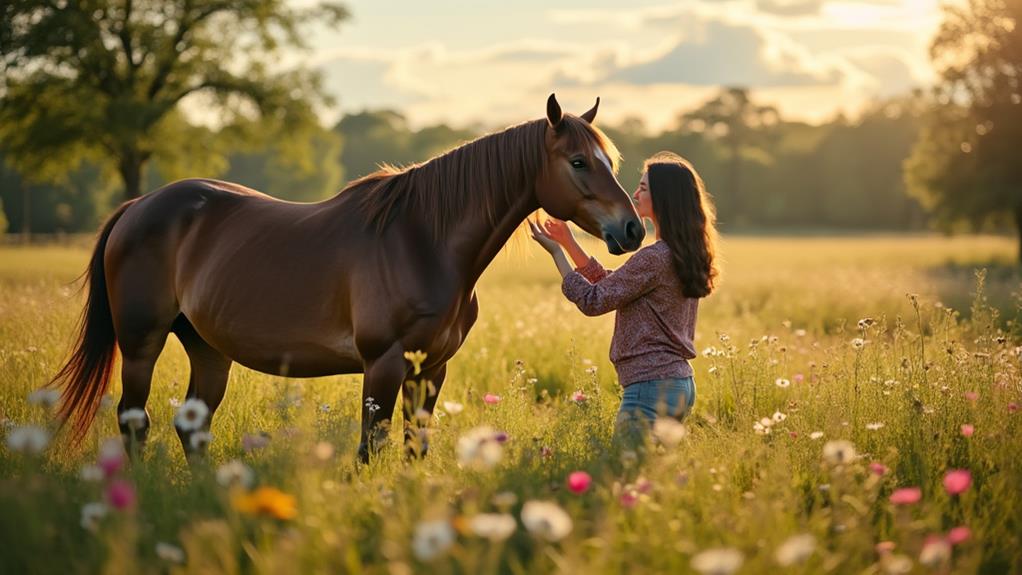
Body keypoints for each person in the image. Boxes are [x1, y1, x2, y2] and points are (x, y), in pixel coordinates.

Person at [528, 151, 719, 444]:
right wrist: (568, 243)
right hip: (679, 384)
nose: (634, 194)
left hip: (650, 388)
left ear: (663, 198)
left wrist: (556, 254)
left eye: (642, 188)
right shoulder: (679, 253)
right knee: (652, 479)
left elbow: (594, 300)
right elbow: (615, 285)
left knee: (623, 475)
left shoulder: (654, 257)